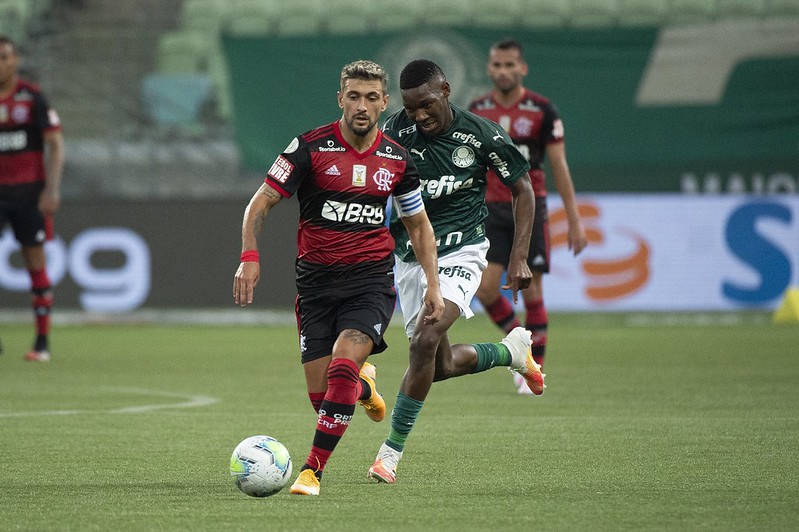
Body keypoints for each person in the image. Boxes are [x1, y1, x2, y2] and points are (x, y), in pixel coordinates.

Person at [232, 60, 444, 496]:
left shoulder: (398, 160)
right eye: (353, 96)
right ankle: (364, 385)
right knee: (324, 398)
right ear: (340, 99)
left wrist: (433, 285)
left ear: (385, 103)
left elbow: (419, 225)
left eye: (371, 97)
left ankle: (312, 471)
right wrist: (249, 256)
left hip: (369, 283)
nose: (362, 106)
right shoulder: (309, 148)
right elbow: (261, 202)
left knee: (343, 368)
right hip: (314, 286)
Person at [367, 59, 544, 484]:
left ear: (445, 90)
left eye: (426, 105)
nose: (419, 116)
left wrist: (518, 256)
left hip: (462, 250)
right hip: (411, 258)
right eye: (411, 109)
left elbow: (523, 189)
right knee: (438, 363)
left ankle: (389, 455)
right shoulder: (394, 133)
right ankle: (510, 353)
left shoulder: (481, 135)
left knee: (425, 338)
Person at [469, 38, 587, 394]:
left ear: (522, 68)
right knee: (487, 289)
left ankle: (534, 369)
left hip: (529, 205)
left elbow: (559, 165)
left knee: (532, 291)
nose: (503, 71)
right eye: (497, 65)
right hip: (489, 208)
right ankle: (521, 348)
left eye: (510, 65)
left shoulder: (542, 110)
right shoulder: (477, 109)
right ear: (489, 69)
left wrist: (574, 218)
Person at [0, 36, 65, 362]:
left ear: (16, 60)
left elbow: (55, 143)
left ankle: (42, 342)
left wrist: (51, 189)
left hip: (28, 193)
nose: (0, 64)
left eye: (4, 57)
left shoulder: (32, 97)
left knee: (34, 263)